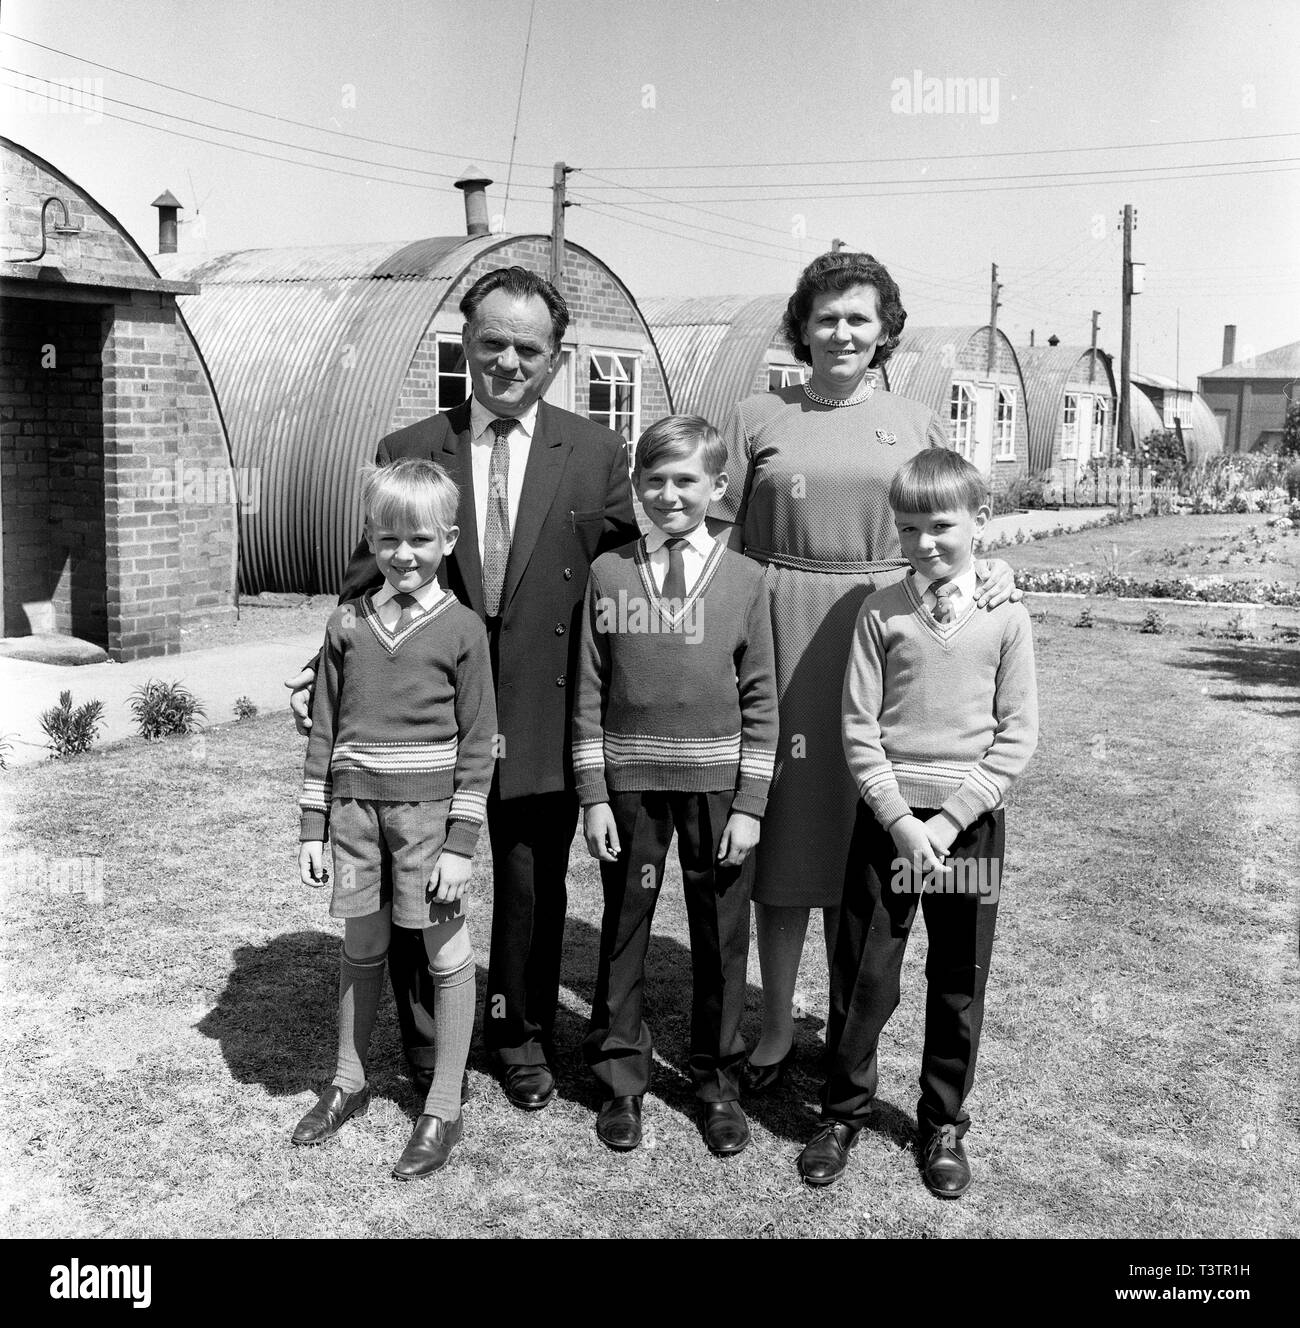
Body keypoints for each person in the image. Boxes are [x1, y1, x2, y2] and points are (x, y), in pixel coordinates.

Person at [290, 267, 639, 1112]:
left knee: (529, 885)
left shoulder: (595, 454)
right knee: (414, 879)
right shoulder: (409, 445)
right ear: (465, 342)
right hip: (422, 719)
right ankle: (422, 1043)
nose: (508, 362)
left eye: (529, 347)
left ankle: (520, 1040)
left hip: (540, 708)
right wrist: (324, 659)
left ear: (557, 358)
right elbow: (366, 576)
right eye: (491, 343)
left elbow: (638, 572)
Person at [709, 250, 1017, 1089]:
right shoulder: (753, 416)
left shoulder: (916, 420)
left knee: (870, 847)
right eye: (826, 317)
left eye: (859, 318)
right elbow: (710, 536)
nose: (841, 332)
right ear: (801, 328)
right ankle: (772, 1027)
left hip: (891, 638)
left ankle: (852, 1040)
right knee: (781, 840)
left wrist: (990, 571)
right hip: (780, 634)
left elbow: (949, 522)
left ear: (885, 331)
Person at [797, 448, 1038, 1195]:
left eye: (941, 525)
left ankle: (941, 1122)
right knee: (866, 972)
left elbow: (1017, 734)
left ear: (980, 522)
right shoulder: (881, 612)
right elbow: (858, 726)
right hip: (889, 828)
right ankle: (842, 1111)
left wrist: (951, 818)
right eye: (908, 528)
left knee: (958, 975)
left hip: (967, 831)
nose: (925, 542)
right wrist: (903, 821)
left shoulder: (1008, 615)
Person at [573, 416, 778, 1156]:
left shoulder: (750, 578)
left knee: (721, 937)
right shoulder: (610, 573)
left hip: (719, 791)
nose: (668, 494)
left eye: (685, 480)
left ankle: (717, 1082)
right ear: (637, 487)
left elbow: (763, 700)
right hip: (631, 789)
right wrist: (594, 794)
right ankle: (620, 1077)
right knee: (624, 930)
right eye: (653, 480)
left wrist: (751, 805)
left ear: (716, 487)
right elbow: (589, 691)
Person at [293, 458, 496, 1179]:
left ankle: (443, 1104)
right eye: (386, 540)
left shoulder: (464, 630)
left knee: (444, 952)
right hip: (353, 814)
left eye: (418, 540)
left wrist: (460, 845)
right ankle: (348, 1080)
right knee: (363, 941)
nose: (402, 555)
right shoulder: (344, 623)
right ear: (369, 540)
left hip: (427, 822)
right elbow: (324, 730)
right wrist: (313, 825)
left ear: (448, 539)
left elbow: (478, 745)